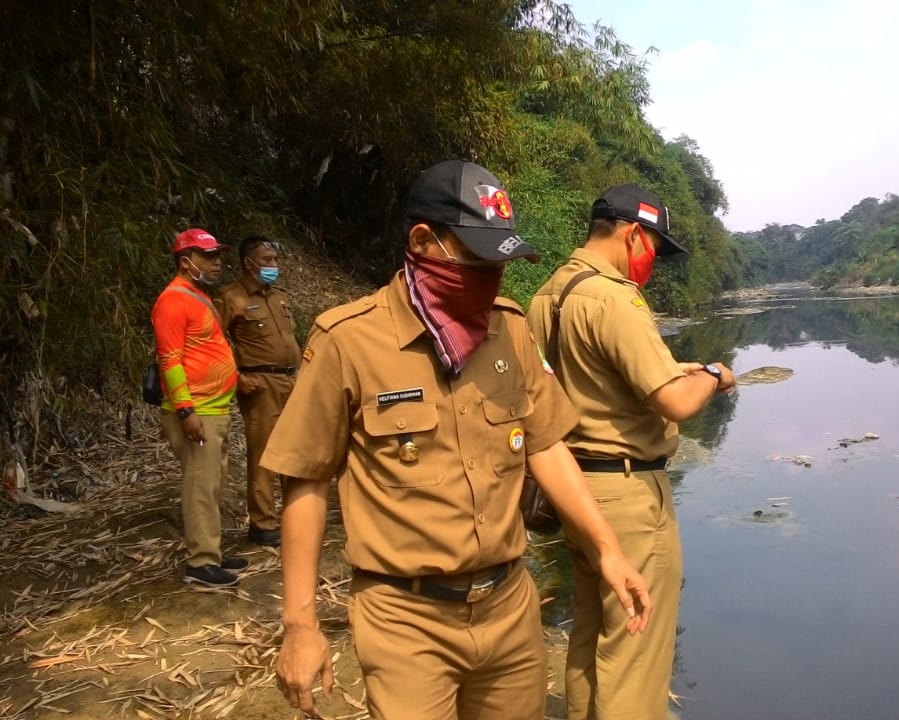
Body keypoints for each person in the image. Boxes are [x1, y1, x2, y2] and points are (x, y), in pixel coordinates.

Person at [262, 160, 653, 720]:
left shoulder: (509, 328)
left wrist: (607, 549)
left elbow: (545, 446)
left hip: (509, 607)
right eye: (477, 259)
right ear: (423, 241)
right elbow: (305, 481)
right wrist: (299, 625)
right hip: (405, 620)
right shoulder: (348, 341)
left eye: (501, 261)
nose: (492, 277)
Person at [528, 184, 736, 720]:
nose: (653, 262)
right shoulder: (615, 296)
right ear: (634, 234)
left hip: (571, 489)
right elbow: (673, 401)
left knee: (589, 634)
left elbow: (587, 379)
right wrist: (712, 375)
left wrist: (677, 368)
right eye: (655, 249)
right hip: (628, 497)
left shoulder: (548, 294)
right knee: (635, 651)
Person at [151, 228, 246, 588]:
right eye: (207, 256)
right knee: (201, 487)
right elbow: (169, 359)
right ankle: (201, 563)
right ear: (185, 262)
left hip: (214, 409)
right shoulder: (173, 301)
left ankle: (213, 551)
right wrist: (186, 411)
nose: (216, 261)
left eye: (217, 254)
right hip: (198, 412)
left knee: (214, 484)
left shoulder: (196, 296)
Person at [217, 235, 301, 547]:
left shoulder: (279, 297)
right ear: (248, 263)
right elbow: (214, 341)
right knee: (265, 454)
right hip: (260, 384)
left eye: (275, 260)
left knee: (294, 451)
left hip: (292, 382)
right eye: (267, 261)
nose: (273, 266)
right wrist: (237, 376)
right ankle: (263, 523)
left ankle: (295, 516)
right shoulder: (231, 298)